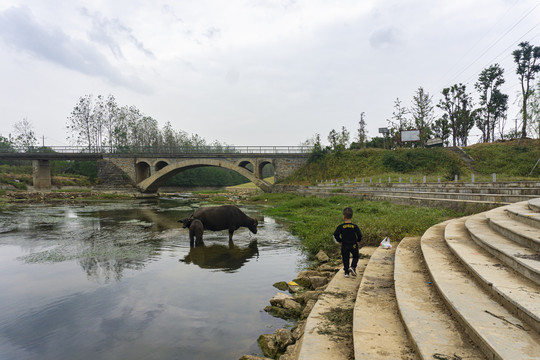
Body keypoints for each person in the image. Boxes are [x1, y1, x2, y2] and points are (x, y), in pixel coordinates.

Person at [333, 207, 362, 278]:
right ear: (352, 216)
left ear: (343, 216)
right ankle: (353, 267)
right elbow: (360, 235)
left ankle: (346, 272)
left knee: (345, 258)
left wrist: (340, 241)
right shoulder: (354, 226)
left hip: (344, 245)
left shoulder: (341, 227)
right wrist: (358, 240)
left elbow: (335, 234)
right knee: (356, 256)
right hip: (353, 245)